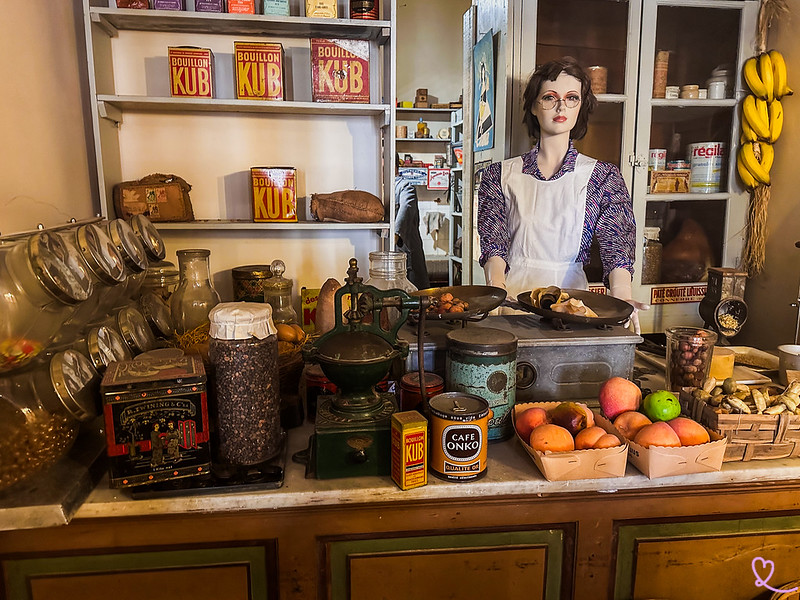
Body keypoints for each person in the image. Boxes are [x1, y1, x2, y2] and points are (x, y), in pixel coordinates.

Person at [477, 56, 648, 332]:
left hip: (572, 311)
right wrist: (496, 289)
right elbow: (493, 243)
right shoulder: (499, 176)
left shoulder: (603, 177)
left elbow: (616, 245)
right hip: (511, 309)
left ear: (581, 106)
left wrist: (621, 295)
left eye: (571, 98)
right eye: (549, 97)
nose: (561, 106)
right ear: (534, 106)